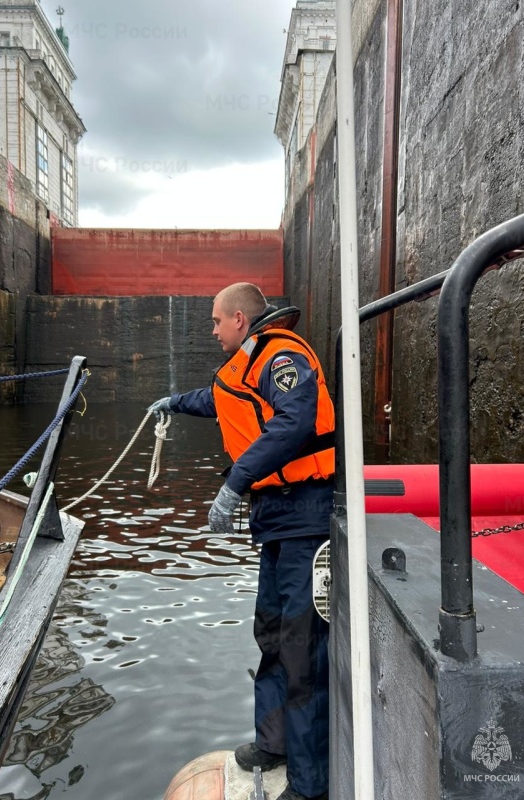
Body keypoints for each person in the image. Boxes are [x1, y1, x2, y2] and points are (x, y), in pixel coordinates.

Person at [149, 282, 334, 800]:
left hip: (307, 512)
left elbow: (295, 422)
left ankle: (311, 783)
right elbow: (220, 400)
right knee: (272, 632)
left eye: (214, 322)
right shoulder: (246, 368)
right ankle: (274, 743)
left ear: (237, 319)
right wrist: (174, 403)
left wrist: (234, 483)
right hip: (277, 517)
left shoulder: (282, 356)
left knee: (302, 648)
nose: (211, 331)